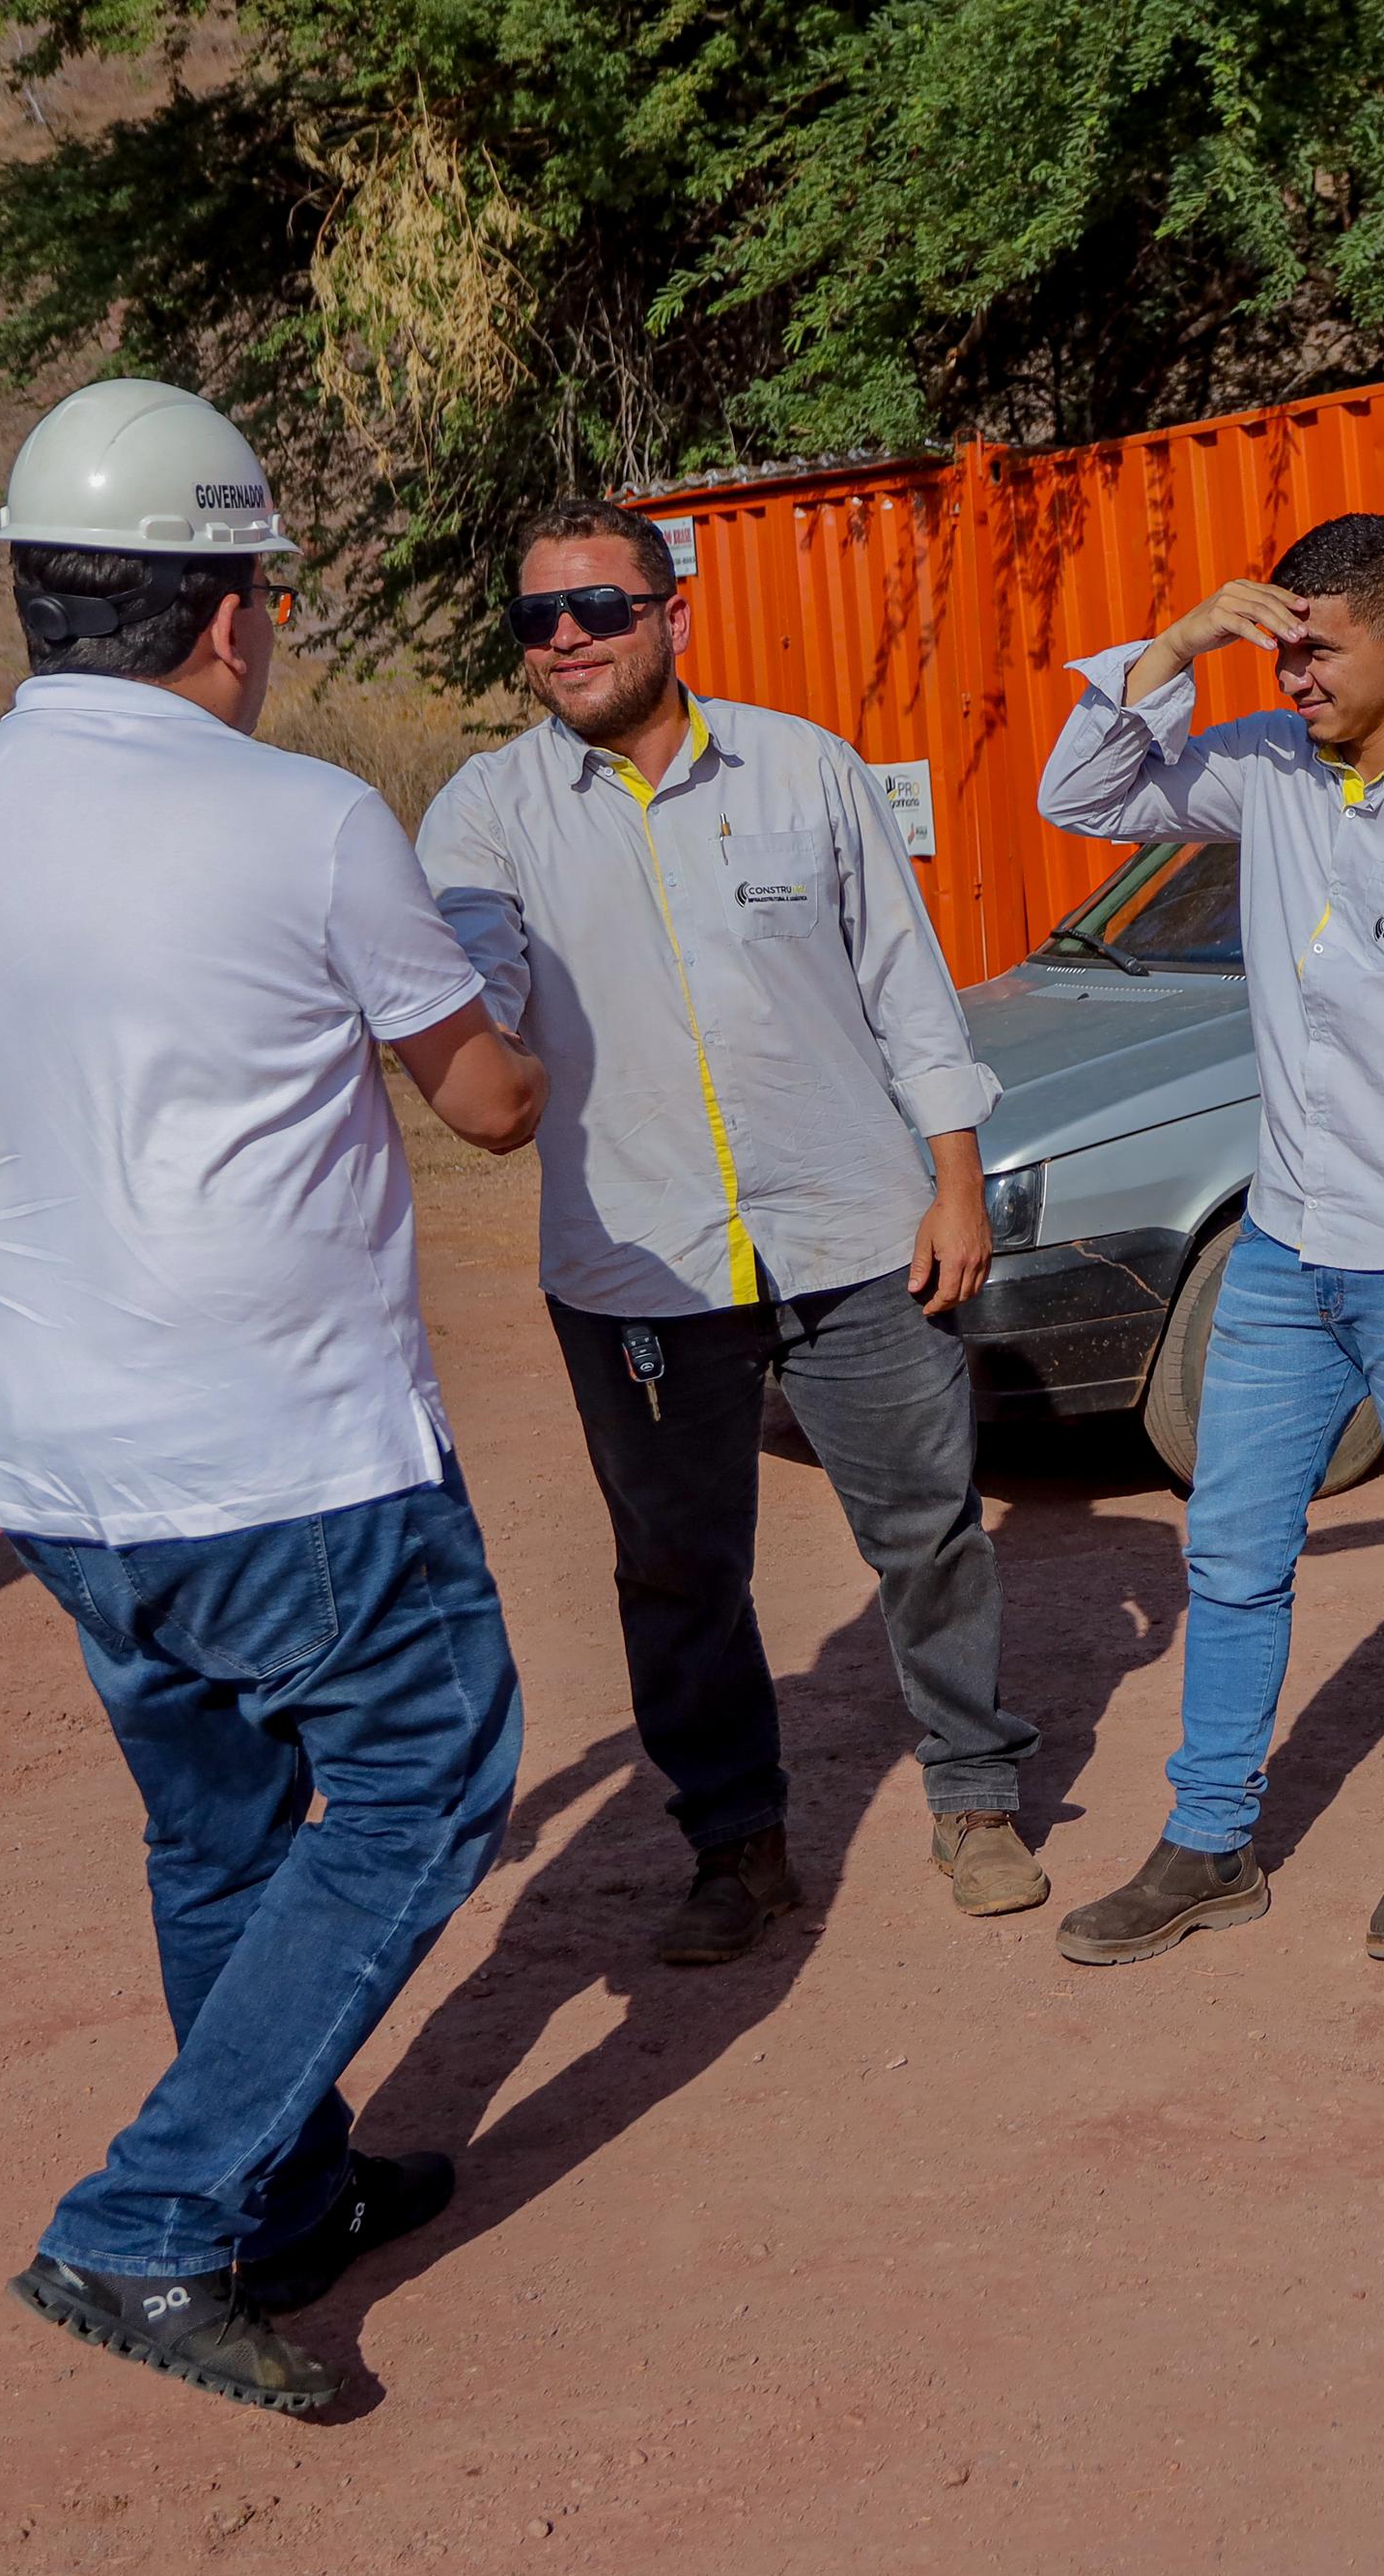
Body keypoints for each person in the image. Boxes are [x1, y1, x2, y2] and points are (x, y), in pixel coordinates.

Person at [0, 381, 548, 2414]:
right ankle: (148, 2222)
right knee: (424, 1784)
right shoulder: (303, 819)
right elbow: (487, 1104)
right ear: (230, 611)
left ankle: (280, 2190)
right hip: (292, 1456)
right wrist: (523, 984)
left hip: (63, 1468)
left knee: (221, 1829)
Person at [417, 499, 1036, 1965]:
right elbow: (477, 997)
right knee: (679, 1568)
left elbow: (906, 985)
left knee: (927, 1529)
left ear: (671, 616)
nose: (565, 637)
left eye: (599, 609)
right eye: (536, 617)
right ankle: (733, 1844)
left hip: (856, 1232)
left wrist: (955, 1179)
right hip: (638, 1260)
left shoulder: (805, 770)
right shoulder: (484, 814)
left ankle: (976, 1795)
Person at [1033, 514, 1384, 1967]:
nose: (1292, 678)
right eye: (1278, 650)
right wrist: (1176, 646)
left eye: (1317, 649)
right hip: (1285, 1245)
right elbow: (1081, 793)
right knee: (1228, 1546)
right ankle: (1210, 1839)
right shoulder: (1263, 773)